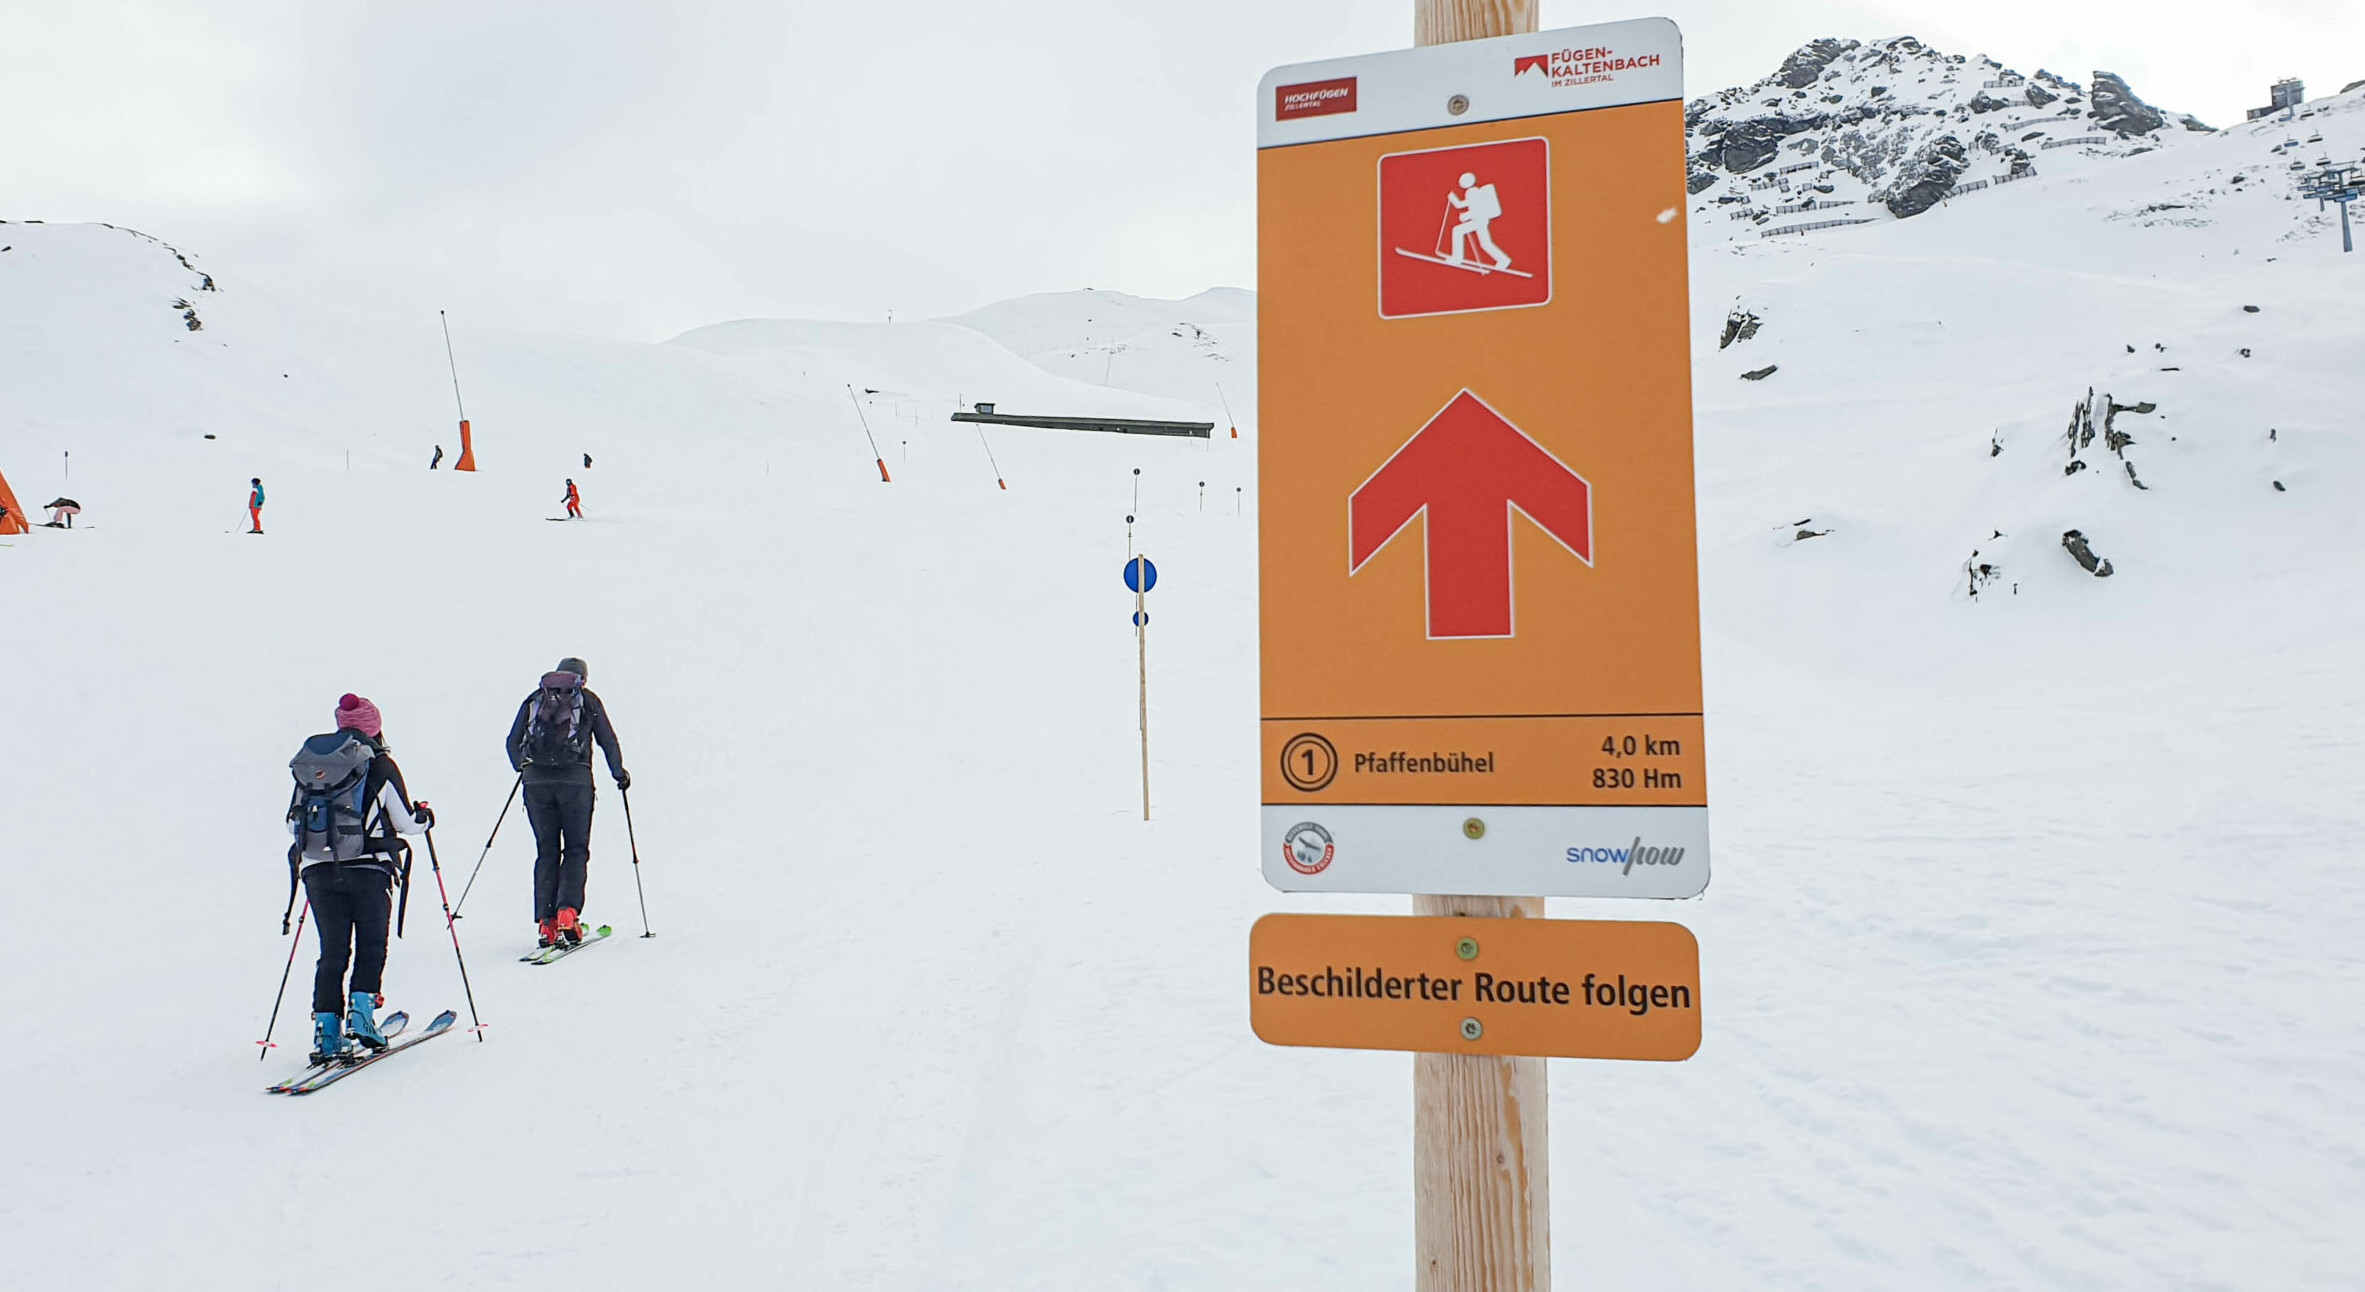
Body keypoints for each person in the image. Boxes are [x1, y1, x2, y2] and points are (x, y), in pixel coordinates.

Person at [286, 694, 433, 1063]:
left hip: (318, 871)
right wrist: (426, 818)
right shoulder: (379, 764)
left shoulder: (311, 766)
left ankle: (327, 1032)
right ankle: (362, 1014)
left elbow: (293, 823)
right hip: (368, 869)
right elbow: (405, 823)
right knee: (371, 944)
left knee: (332, 951)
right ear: (375, 727)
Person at [505, 658, 628, 947]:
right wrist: (619, 773)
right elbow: (607, 740)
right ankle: (567, 913)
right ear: (582, 679)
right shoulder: (587, 701)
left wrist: (523, 766)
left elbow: (512, 741)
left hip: (536, 783)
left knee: (546, 851)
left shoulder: (535, 699)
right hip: (576, 784)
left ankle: (546, 924)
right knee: (575, 849)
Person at [1447, 171, 1513, 271]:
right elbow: (1466, 205)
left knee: (1457, 231)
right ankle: (1504, 260)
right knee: (1485, 243)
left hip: (1479, 220)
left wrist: (1465, 215)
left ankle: (1457, 258)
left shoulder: (1471, 192)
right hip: (1480, 220)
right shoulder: (1474, 191)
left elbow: (1475, 208)